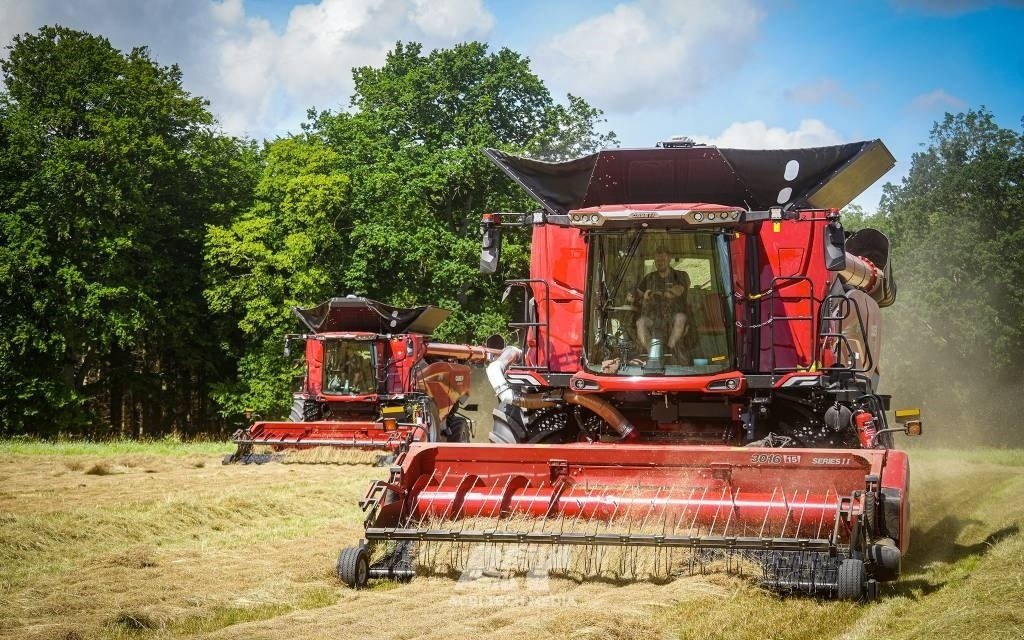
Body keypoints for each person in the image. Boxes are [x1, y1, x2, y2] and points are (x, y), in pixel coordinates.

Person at [632, 245, 691, 354]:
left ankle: (669, 349)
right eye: (657, 260)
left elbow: (678, 290)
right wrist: (635, 296)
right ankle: (652, 353)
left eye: (663, 259)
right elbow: (638, 294)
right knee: (641, 322)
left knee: (681, 318)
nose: (660, 262)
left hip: (673, 316)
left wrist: (662, 293)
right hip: (653, 317)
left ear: (669, 259)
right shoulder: (649, 278)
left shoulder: (680, 275)